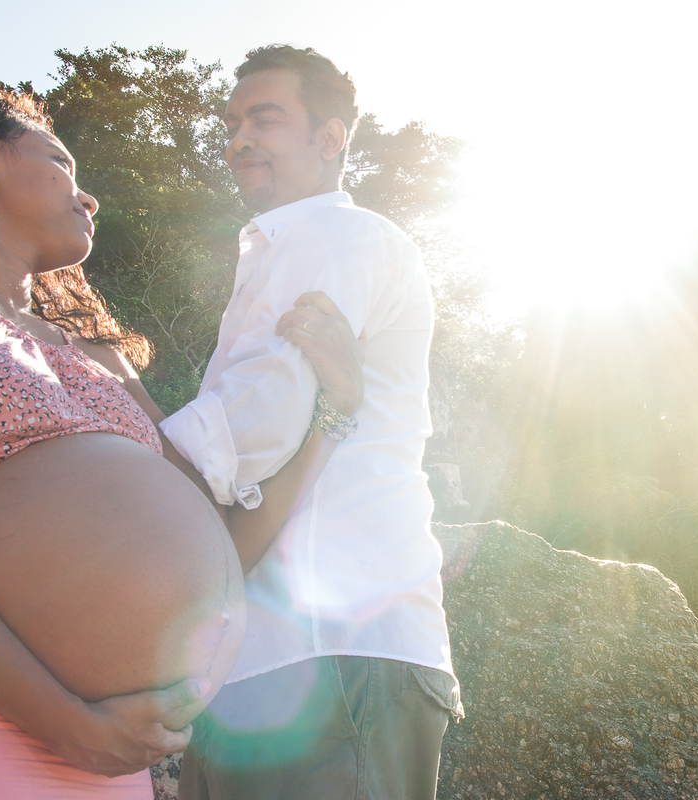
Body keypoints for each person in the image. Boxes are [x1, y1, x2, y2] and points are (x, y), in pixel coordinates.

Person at [0, 93, 364, 799]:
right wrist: (65, 723)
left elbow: (225, 543)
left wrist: (336, 413)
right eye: (59, 160)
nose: (87, 195)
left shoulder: (106, 360)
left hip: (110, 753)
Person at [161, 46, 464, 800]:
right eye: (232, 122)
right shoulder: (283, 247)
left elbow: (258, 424)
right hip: (274, 661)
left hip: (337, 652)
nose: (239, 139)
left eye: (265, 118)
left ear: (332, 138)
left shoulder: (336, 236)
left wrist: (100, 461)